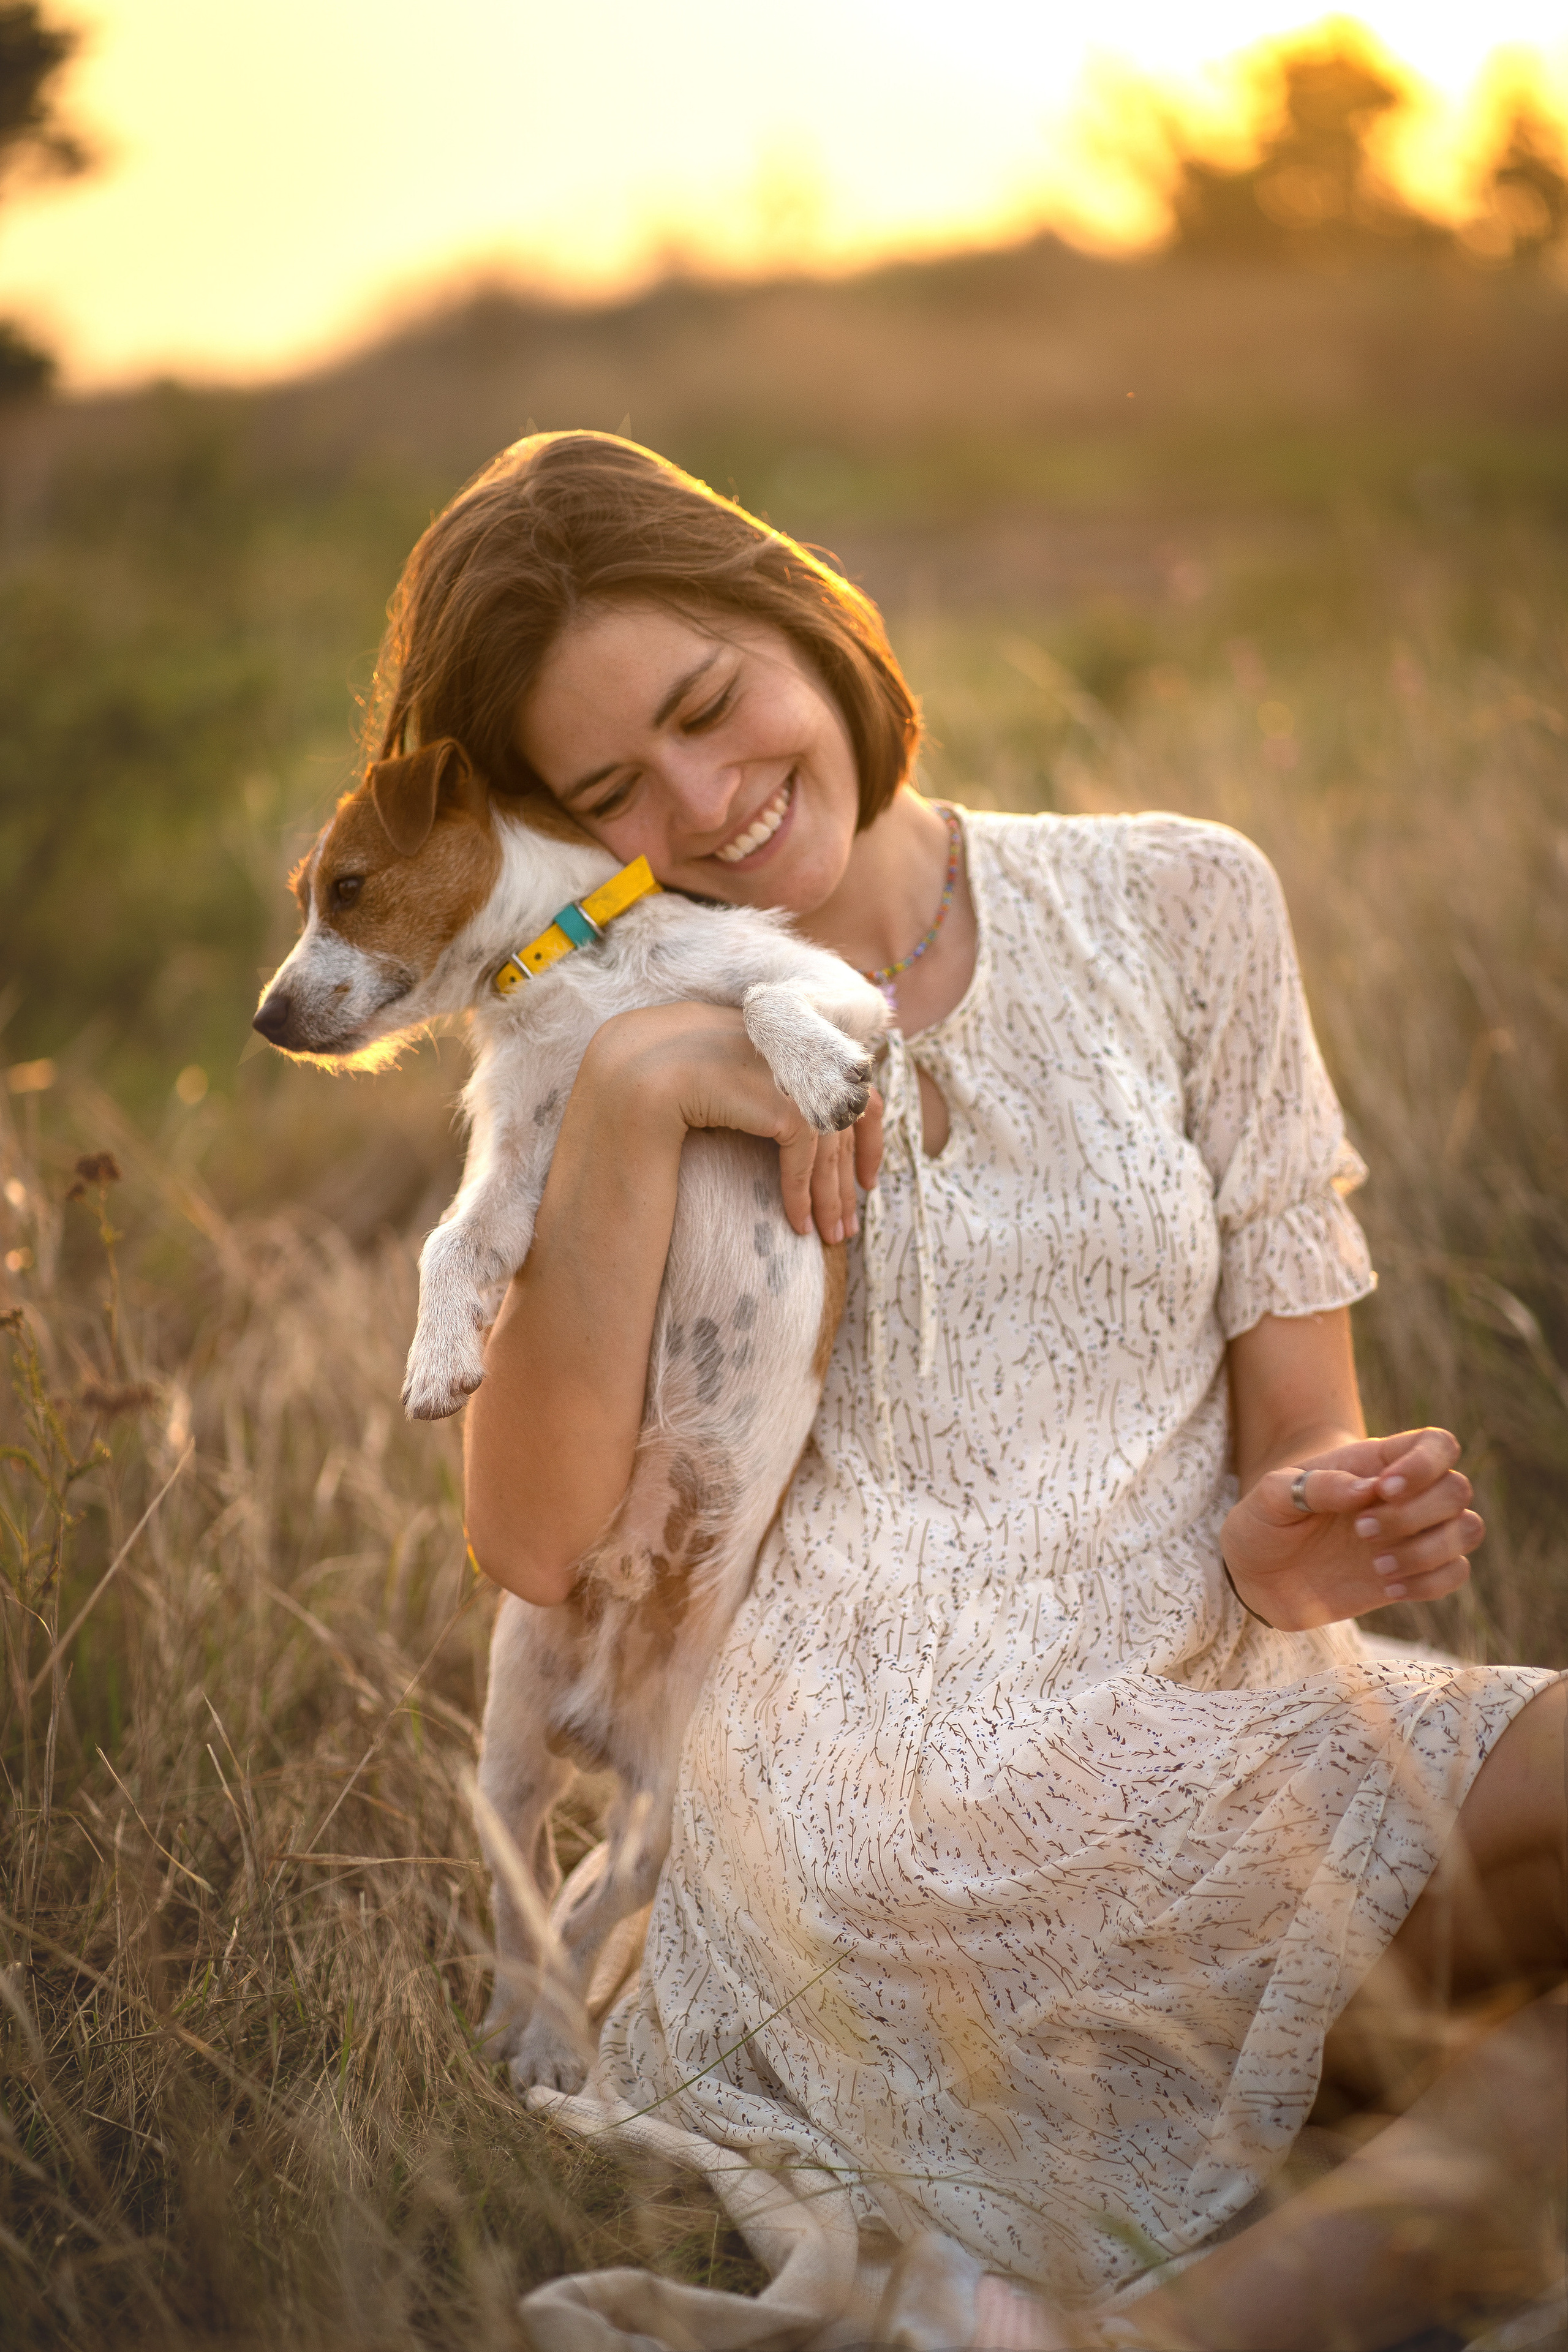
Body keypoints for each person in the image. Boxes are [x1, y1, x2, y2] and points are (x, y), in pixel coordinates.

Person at [372, 431, 1566, 2350]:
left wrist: (1297, 1525)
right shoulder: (601, 1044)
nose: (706, 802)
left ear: (808, 619)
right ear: (555, 835)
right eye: (612, 791)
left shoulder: (1181, 898)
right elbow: (530, 1540)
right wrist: (631, 1096)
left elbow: (1301, 1422)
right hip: (873, 1810)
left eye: (710, 706)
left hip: (1223, 1714)